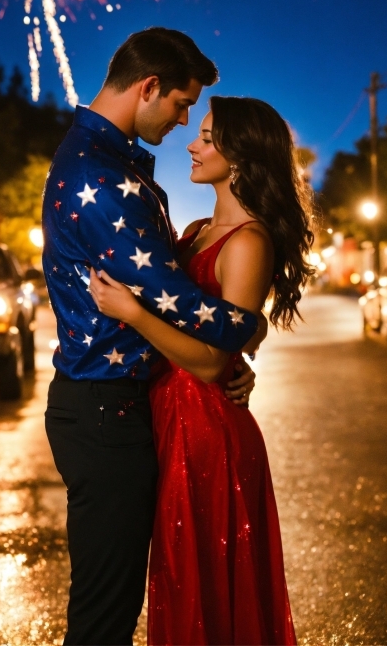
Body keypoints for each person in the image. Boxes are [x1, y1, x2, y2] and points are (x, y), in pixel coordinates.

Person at [42, 29, 264, 645]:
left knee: (111, 604)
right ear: (148, 87)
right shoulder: (101, 176)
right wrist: (248, 329)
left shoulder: (103, 160)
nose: (184, 121)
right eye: (180, 104)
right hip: (105, 413)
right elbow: (178, 299)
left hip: (115, 408)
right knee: (104, 615)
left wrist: (223, 359)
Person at [90, 95, 314, 645]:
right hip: (172, 420)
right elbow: (232, 326)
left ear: (241, 155)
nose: (192, 143)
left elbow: (214, 361)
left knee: (211, 583)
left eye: (209, 138)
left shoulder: (250, 241)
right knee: (180, 576)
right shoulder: (192, 232)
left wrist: (134, 316)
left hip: (209, 433)